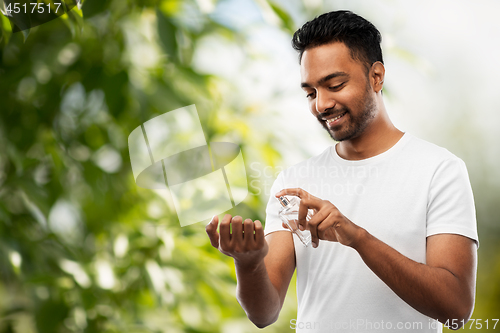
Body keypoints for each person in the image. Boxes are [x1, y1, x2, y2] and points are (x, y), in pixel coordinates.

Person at [206, 10, 478, 332]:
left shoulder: (439, 171)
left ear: (376, 76)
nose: (321, 104)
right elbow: (264, 314)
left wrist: (357, 237)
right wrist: (248, 264)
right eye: (310, 93)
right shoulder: (293, 183)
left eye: (334, 84)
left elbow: (457, 309)